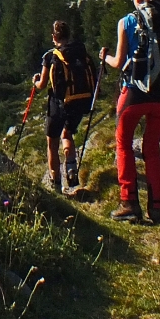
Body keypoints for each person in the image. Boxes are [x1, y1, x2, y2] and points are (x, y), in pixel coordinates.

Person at [101, 0, 160, 224]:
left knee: (123, 144)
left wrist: (104, 57)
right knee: (152, 149)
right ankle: (157, 208)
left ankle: (129, 204)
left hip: (134, 93)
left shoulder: (127, 22)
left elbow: (118, 63)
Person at [32, 20, 96, 193]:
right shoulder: (80, 52)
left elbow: (43, 84)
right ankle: (71, 169)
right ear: (69, 35)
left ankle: (56, 182)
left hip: (58, 104)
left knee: (52, 142)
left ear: (54, 37)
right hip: (80, 101)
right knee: (67, 134)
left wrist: (35, 81)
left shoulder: (50, 56)